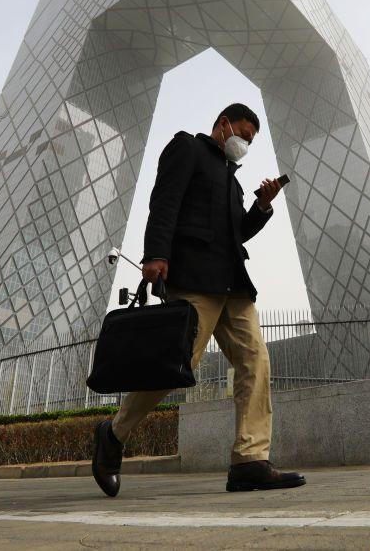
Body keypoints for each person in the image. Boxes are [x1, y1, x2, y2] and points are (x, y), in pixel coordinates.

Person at [91, 103, 306, 497]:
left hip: (234, 286)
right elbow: (165, 200)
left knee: (255, 359)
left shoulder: (233, 180)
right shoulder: (187, 148)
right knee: (176, 364)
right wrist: (155, 252)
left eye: (251, 141)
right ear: (223, 125)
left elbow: (238, 232)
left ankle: (250, 460)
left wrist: (262, 205)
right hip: (195, 278)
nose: (244, 143)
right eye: (242, 133)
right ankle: (114, 434)